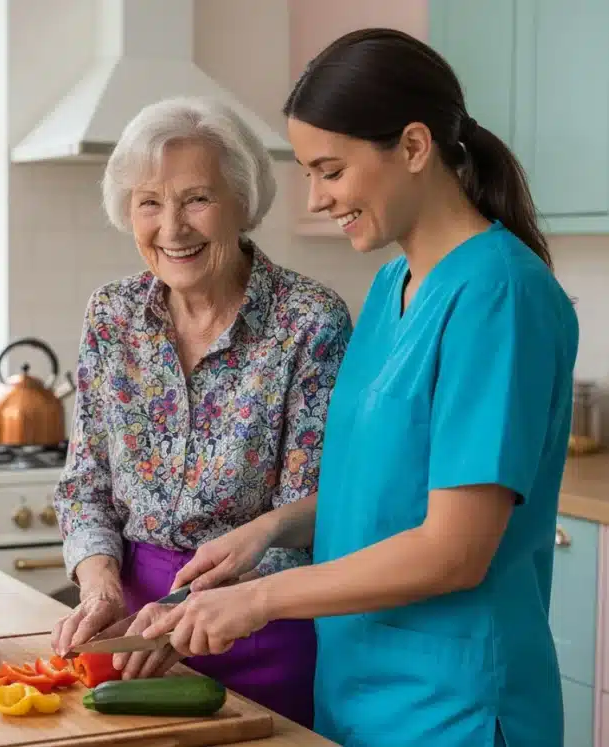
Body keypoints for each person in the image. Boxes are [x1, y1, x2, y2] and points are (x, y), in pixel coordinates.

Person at [142, 29, 579, 747]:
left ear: (414, 147)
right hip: (357, 698)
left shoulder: (499, 295)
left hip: (453, 711)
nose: (317, 198)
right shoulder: (389, 285)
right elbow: (384, 491)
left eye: (331, 170)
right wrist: (270, 531)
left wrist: (262, 599)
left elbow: (455, 548)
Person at [49, 95, 352, 729]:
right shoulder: (111, 315)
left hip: (262, 629)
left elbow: (311, 513)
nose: (172, 228)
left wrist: (188, 606)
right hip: (132, 636)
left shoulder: (309, 320)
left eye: (197, 199)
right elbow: (85, 485)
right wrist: (99, 586)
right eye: (149, 202)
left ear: (243, 202)